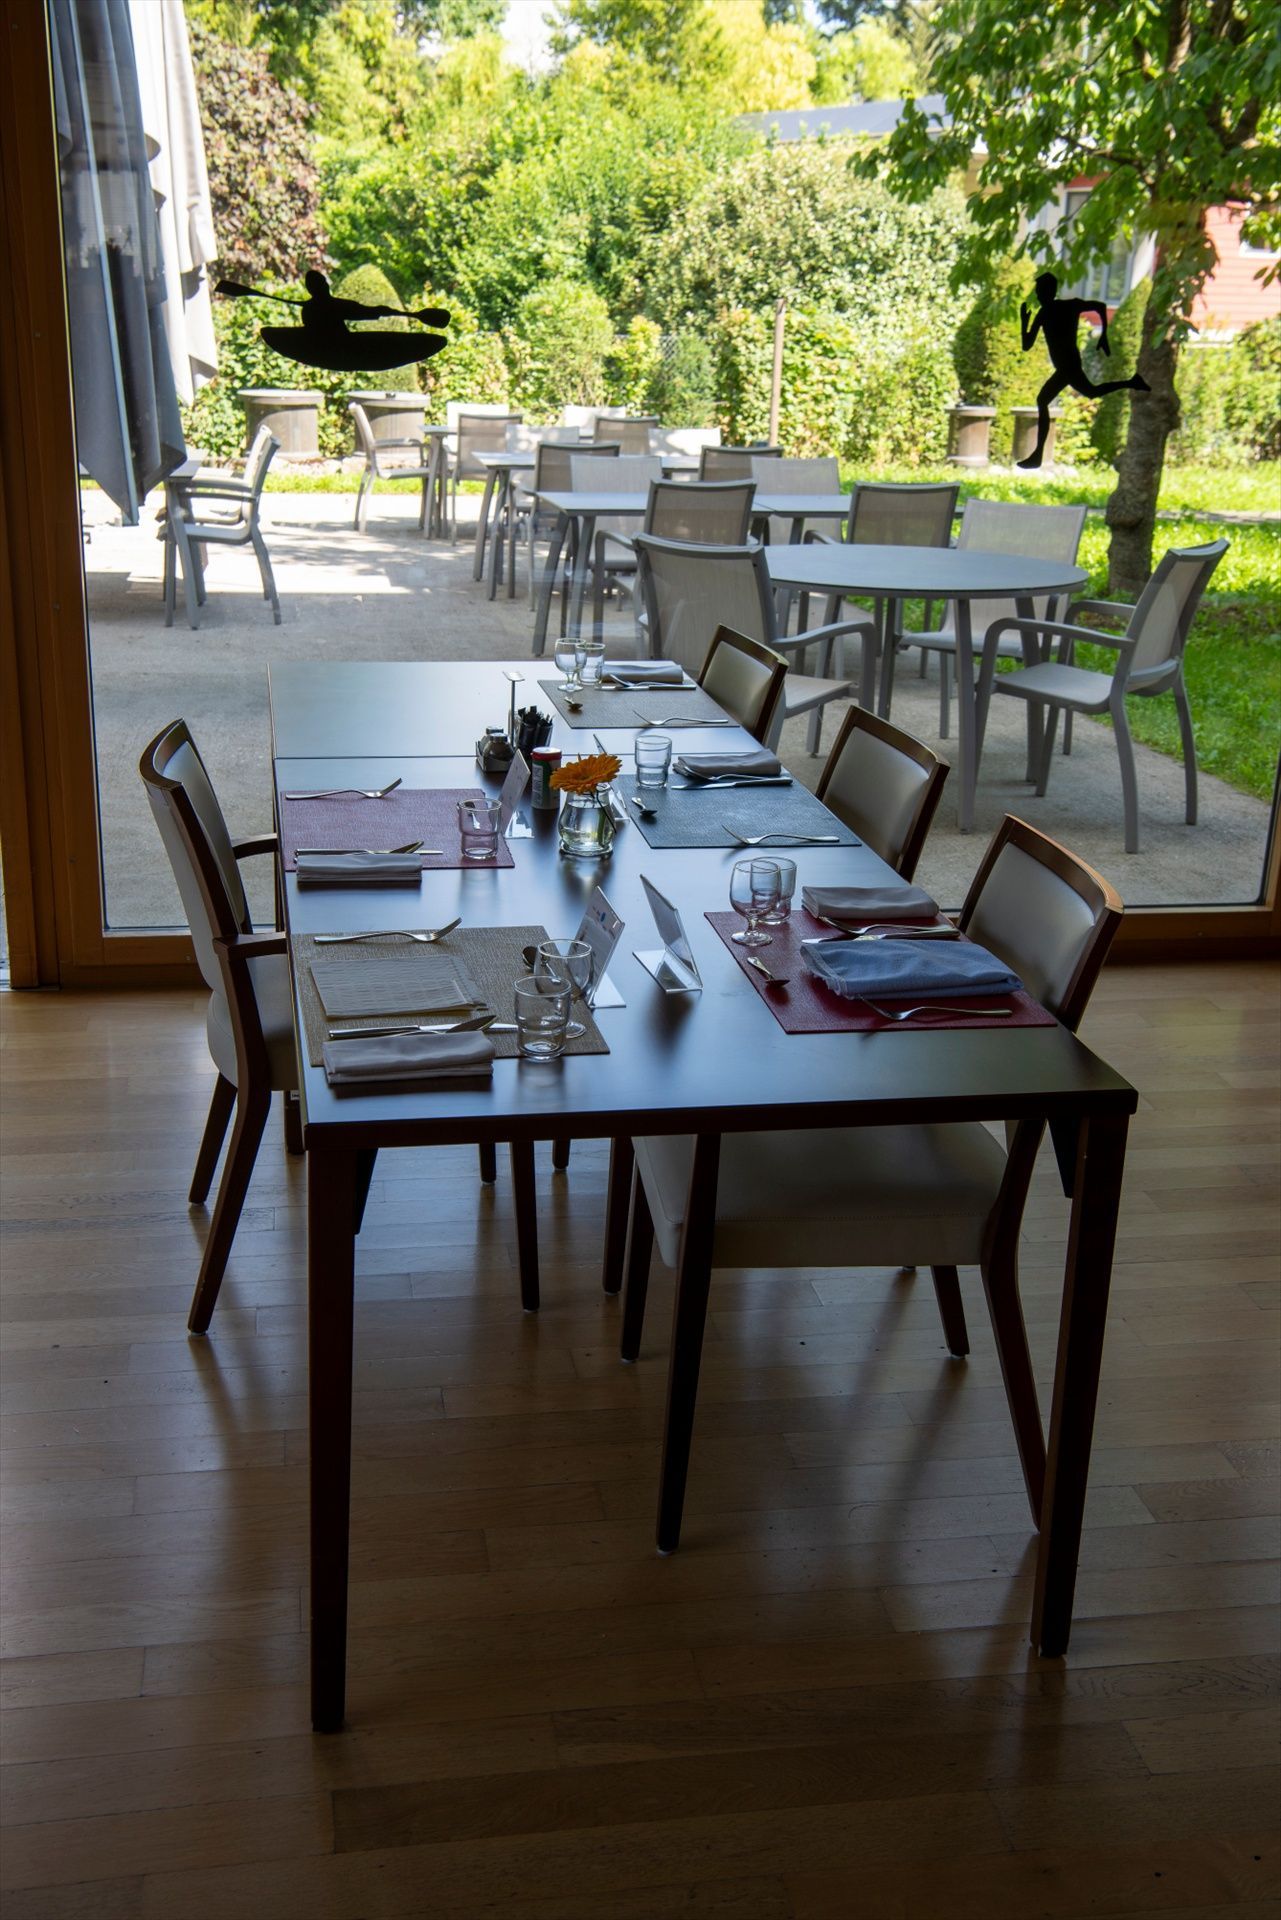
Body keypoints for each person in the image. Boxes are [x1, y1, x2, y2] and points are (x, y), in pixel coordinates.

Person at [1017, 270, 1149, 468]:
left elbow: (1099, 306)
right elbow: (1027, 345)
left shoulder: (1061, 308)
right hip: (1065, 365)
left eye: (1039, 291)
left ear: (1048, 291)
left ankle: (1037, 455)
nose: (1037, 295)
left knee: (1044, 400)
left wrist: (1104, 335)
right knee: (1090, 392)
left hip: (1067, 365)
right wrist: (1025, 322)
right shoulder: (1055, 310)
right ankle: (1132, 382)